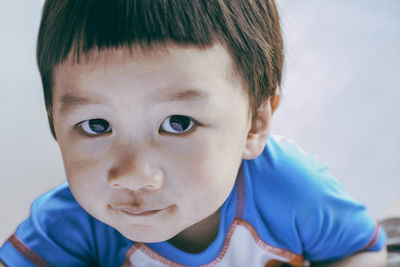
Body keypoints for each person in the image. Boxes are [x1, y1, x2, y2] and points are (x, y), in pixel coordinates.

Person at [0, 0, 387, 266]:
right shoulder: (67, 224)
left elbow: (362, 249)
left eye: (178, 124)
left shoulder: (295, 192)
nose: (133, 174)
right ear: (55, 123)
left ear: (255, 123)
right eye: (96, 126)